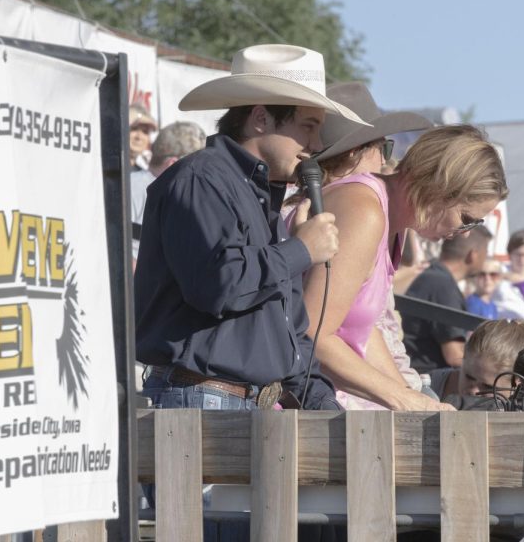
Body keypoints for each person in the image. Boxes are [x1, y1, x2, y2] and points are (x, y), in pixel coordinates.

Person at [135, 44, 369, 414]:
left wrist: (320, 398)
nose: (317, 145)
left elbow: (286, 324)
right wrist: (300, 250)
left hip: (238, 403)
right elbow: (217, 284)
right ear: (260, 119)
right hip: (200, 399)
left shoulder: (262, 200)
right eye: (308, 126)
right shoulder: (201, 179)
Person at [297, 88, 507, 410]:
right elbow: (312, 335)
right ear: (442, 187)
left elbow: (363, 334)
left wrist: (416, 400)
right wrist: (406, 399)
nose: (464, 235)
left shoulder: (388, 224)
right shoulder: (365, 212)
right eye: (466, 219)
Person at [287, 81, 446, 410]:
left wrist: (405, 396)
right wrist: (404, 397)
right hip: (327, 402)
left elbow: (361, 327)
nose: (387, 164)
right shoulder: (356, 213)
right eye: (383, 150)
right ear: (352, 154)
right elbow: (322, 333)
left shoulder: (340, 211)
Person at [401, 225, 494, 371]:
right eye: (486, 252)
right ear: (473, 255)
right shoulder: (443, 286)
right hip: (426, 380)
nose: (486, 258)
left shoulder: (432, 275)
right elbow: (455, 355)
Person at [131, 121, 206, 270]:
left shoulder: (134, 185)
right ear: (173, 164)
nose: (202, 171)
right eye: (197, 165)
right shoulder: (135, 189)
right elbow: (113, 248)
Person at [430, 319, 524, 401]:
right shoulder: (430, 387)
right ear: (464, 356)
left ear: (517, 382)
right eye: (469, 377)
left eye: (487, 387)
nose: (474, 392)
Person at [128, 103, 158, 170]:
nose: (139, 137)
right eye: (134, 129)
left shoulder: (142, 173)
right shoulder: (104, 170)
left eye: (145, 132)